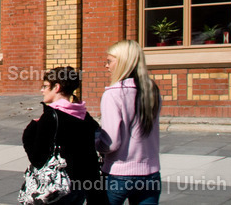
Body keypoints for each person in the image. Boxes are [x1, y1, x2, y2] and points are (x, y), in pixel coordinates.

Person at [22, 67, 106, 205]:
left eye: (45, 86)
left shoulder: (51, 117)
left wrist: (30, 130)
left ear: (57, 87)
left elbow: (37, 158)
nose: (42, 90)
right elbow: (90, 158)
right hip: (79, 189)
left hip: (57, 189)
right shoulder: (84, 116)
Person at [96, 40, 162, 204]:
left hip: (118, 174)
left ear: (123, 63)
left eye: (110, 61)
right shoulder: (152, 90)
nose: (107, 66)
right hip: (151, 173)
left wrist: (96, 141)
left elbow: (111, 143)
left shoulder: (113, 94)